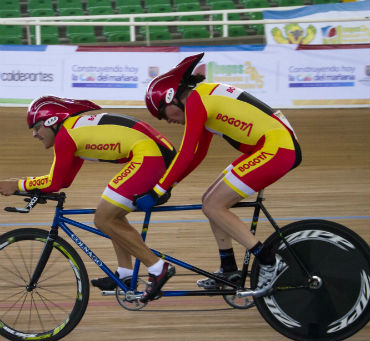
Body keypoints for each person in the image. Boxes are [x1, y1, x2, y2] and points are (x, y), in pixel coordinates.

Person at [135, 52, 302, 291]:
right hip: (271, 146)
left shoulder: (196, 102)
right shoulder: (200, 99)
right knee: (209, 201)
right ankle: (229, 270)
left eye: (163, 114)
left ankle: (269, 261)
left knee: (214, 205)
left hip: (276, 148)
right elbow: (196, 155)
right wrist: (168, 185)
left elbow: (185, 153)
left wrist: (158, 189)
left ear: (173, 99)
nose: (166, 121)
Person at [0, 96, 176, 302]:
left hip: (151, 157)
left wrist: (17, 184)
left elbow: (54, 183)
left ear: (51, 122)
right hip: (156, 154)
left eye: (36, 127)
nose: (35, 134)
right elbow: (64, 181)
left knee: (103, 218)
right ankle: (126, 275)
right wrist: (29, 186)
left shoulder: (66, 137)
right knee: (112, 213)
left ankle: (157, 267)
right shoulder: (72, 132)